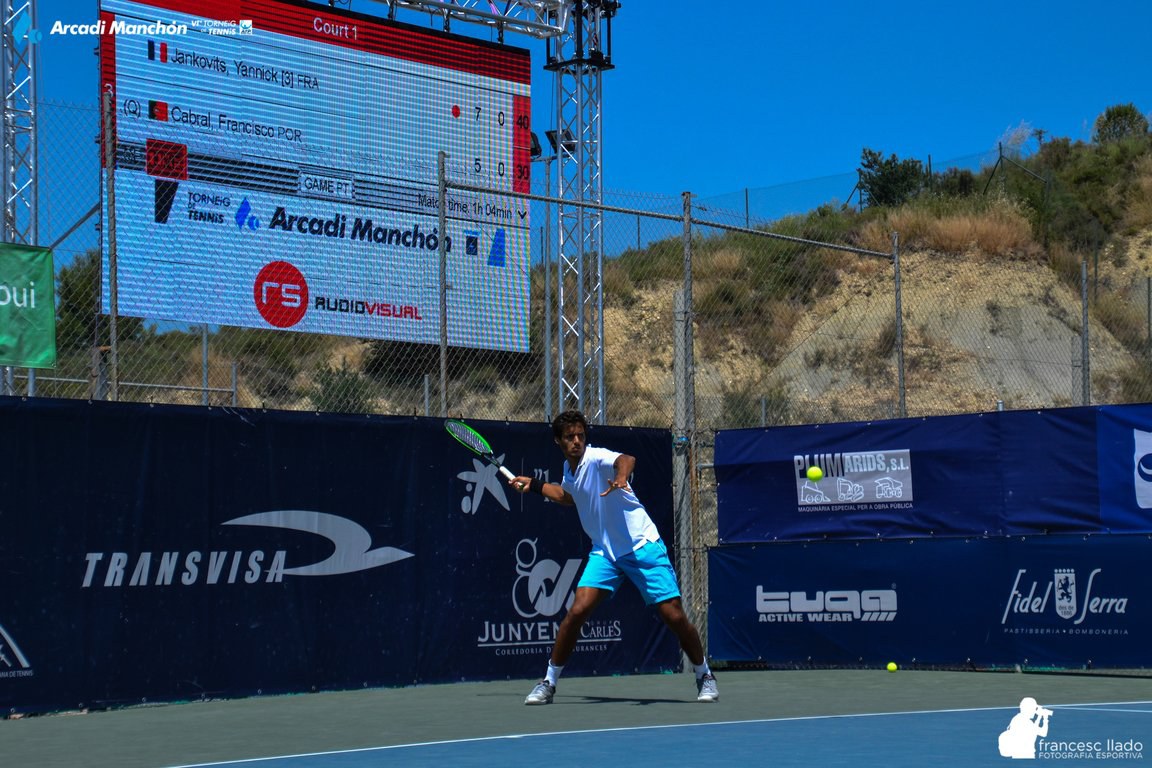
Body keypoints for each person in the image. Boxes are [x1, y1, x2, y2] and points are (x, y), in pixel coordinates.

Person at [508, 409, 718, 705]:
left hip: (641, 545)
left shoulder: (596, 458)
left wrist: (620, 476)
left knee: (673, 616)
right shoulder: (570, 469)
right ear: (558, 441)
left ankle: (704, 674)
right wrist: (535, 485)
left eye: (580, 435)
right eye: (570, 437)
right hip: (605, 552)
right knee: (577, 611)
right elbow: (568, 496)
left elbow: (627, 459)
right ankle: (548, 682)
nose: (577, 441)